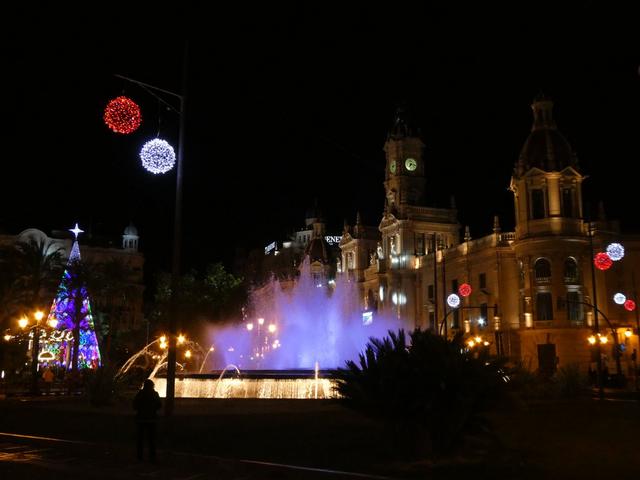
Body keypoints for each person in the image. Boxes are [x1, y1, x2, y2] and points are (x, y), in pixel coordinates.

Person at [133, 379, 162, 462]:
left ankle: (139, 456)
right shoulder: (154, 394)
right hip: (152, 419)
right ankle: (152, 457)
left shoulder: (140, 394)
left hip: (141, 419)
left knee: (140, 439)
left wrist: (140, 409)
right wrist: (153, 409)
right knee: (151, 439)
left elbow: (134, 405)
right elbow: (159, 405)